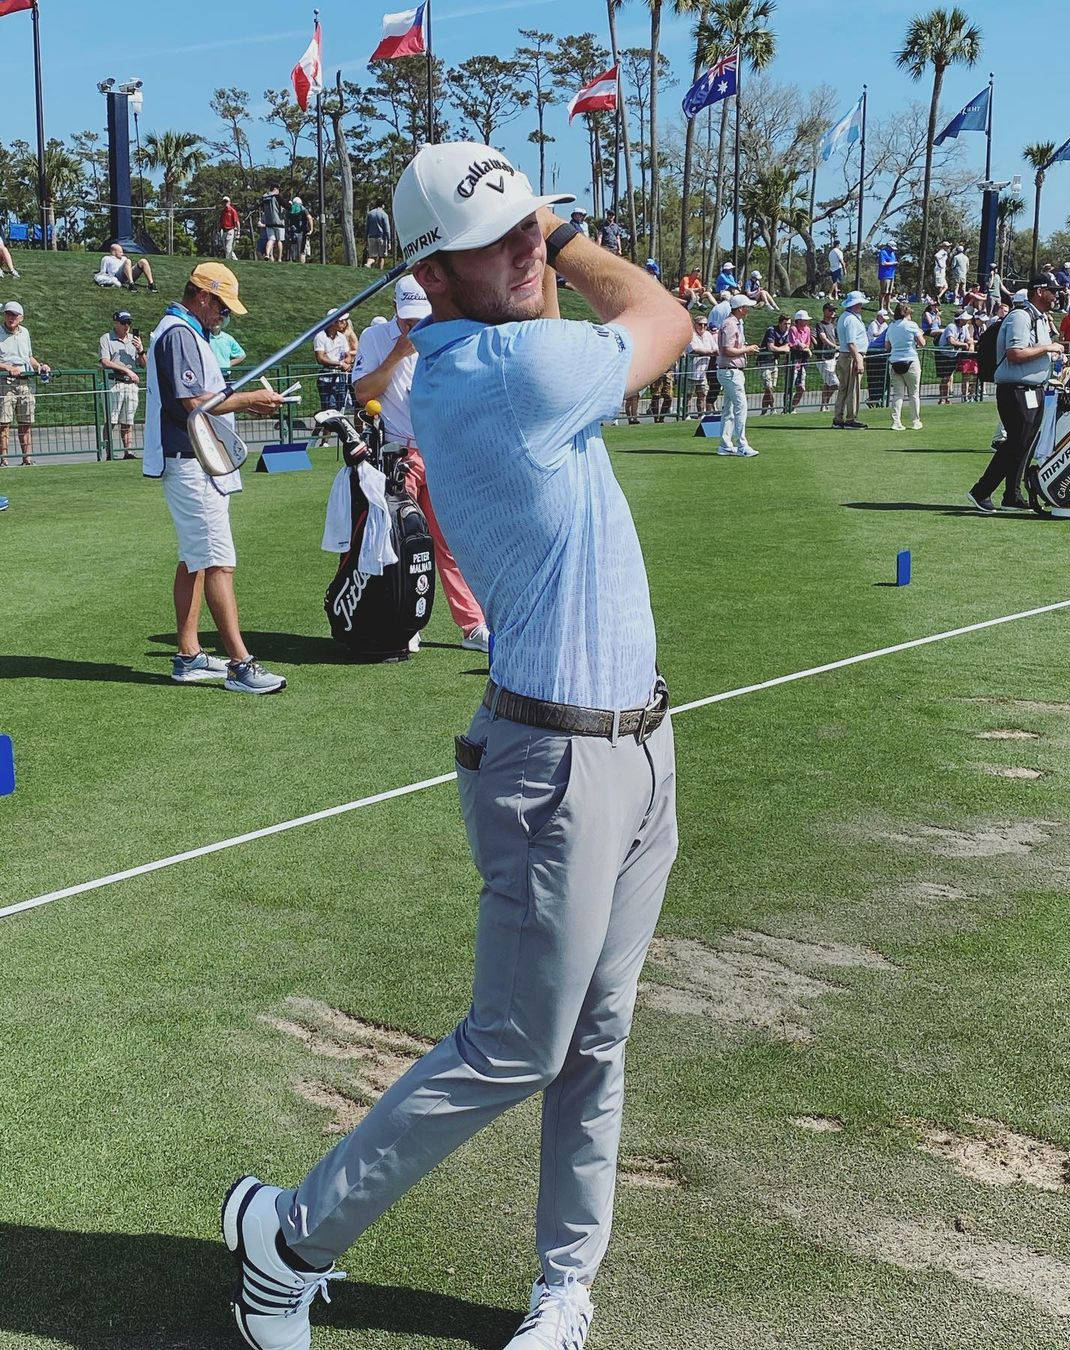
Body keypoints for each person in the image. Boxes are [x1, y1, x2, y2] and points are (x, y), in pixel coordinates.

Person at [221, 138, 686, 1350]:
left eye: (532, 223)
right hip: (556, 767)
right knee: (515, 1045)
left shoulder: (474, 350)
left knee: (596, 1036)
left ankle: (565, 1284)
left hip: (637, 739)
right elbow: (663, 314)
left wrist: (532, 218)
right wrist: (578, 232)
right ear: (438, 264)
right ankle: (288, 1240)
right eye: (502, 238)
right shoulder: (507, 374)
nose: (529, 245)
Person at [144, 263, 288, 692]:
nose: (223, 317)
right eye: (222, 309)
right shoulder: (180, 334)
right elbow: (194, 402)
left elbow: (201, 397)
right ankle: (241, 665)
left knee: (195, 559)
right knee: (218, 562)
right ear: (204, 297)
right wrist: (249, 400)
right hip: (192, 461)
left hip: (194, 459)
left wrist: (244, 401)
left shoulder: (186, 333)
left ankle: (188, 656)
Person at [351, 275, 490, 652]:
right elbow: (363, 393)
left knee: (448, 541)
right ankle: (403, 620)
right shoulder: (374, 338)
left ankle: (473, 625)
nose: (415, 325)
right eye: (408, 318)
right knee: (399, 541)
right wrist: (396, 354)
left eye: (420, 316)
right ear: (395, 309)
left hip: (439, 449)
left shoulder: (443, 331)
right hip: (397, 454)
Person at [967, 274, 1066, 513]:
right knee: (1015, 442)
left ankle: (1012, 495)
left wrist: (1053, 355)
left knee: (1024, 445)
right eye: (1052, 290)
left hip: (1034, 388)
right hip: (1016, 389)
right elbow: (1015, 353)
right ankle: (981, 491)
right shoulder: (1021, 316)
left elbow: (1036, 352)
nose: (1056, 296)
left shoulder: (1040, 318)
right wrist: (1048, 347)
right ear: (1039, 291)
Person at [0, 300, 49, 467]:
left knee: (26, 422)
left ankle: (27, 458)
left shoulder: (25, 333)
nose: (10, 317)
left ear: (21, 317)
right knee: (4, 422)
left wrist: (40, 366)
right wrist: (7, 367)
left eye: (14, 314)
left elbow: (29, 357)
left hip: (26, 382)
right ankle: (3, 459)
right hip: (5, 381)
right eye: (8, 314)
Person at [714, 292, 759, 455]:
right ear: (740, 309)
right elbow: (727, 350)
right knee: (741, 406)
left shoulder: (734, 323)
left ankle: (725, 444)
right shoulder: (730, 324)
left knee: (730, 409)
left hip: (731, 371)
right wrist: (748, 349)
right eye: (746, 307)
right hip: (730, 371)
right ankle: (742, 445)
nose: (748, 310)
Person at [98, 309, 146, 459]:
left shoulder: (133, 340)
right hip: (114, 383)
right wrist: (127, 370)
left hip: (131, 385)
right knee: (111, 420)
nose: (127, 326)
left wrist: (140, 350)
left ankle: (128, 451)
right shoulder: (106, 338)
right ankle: (109, 452)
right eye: (124, 323)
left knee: (128, 420)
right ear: (116, 323)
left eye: (129, 323)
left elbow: (144, 365)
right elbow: (105, 361)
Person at [884, 300, 925, 432]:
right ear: (907, 313)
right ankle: (915, 421)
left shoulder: (891, 326)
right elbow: (922, 343)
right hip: (911, 360)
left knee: (898, 395)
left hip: (895, 361)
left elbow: (887, 346)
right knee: (913, 394)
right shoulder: (912, 325)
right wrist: (919, 334)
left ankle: (896, 422)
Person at [834, 290, 869, 430]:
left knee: (844, 388)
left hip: (846, 356)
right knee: (852, 389)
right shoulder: (851, 320)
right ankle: (850, 418)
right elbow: (851, 342)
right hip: (851, 356)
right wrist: (858, 360)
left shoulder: (845, 317)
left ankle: (838, 418)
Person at [314, 311, 352, 411]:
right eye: (341, 321)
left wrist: (346, 362)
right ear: (333, 322)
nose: (345, 323)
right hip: (326, 380)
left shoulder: (342, 337)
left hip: (341, 379)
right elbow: (320, 358)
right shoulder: (320, 336)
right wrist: (340, 363)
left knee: (339, 408)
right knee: (329, 409)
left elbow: (348, 355)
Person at [758, 312, 790, 414]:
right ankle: (773, 409)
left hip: (774, 361)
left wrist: (779, 349)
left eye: (789, 324)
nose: (787, 326)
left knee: (770, 388)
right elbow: (770, 347)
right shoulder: (771, 330)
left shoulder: (787, 333)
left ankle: (763, 412)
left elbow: (788, 347)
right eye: (785, 324)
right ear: (780, 323)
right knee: (768, 387)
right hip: (764, 361)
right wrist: (782, 349)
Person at [687, 312, 717, 414]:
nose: (703, 326)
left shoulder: (708, 335)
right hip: (690, 371)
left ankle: (701, 415)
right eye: (700, 324)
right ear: (695, 325)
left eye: (705, 324)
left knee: (702, 395)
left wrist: (714, 351)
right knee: (688, 395)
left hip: (703, 371)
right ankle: (686, 415)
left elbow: (715, 348)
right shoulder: (691, 335)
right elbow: (695, 349)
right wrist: (711, 352)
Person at [935, 310, 967, 405]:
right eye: (964, 319)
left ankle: (946, 398)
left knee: (948, 377)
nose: (966, 320)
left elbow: (968, 339)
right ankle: (943, 398)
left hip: (954, 355)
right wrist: (964, 345)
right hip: (944, 355)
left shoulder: (964, 328)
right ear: (960, 319)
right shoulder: (951, 327)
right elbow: (951, 341)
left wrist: (970, 343)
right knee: (945, 378)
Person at [814, 303, 840, 414]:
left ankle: (824, 405)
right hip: (823, 358)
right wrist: (835, 346)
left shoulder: (832, 326)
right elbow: (823, 339)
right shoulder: (820, 325)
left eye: (833, 310)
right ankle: (824, 404)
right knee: (835, 384)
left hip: (832, 357)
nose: (832, 312)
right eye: (830, 310)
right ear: (825, 311)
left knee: (828, 383)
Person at [787, 310, 813, 411]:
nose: (806, 322)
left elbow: (807, 343)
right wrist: (804, 347)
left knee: (801, 387)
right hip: (794, 361)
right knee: (790, 386)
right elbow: (794, 343)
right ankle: (787, 406)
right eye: (804, 320)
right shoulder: (793, 329)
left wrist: (805, 347)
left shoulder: (807, 329)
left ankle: (792, 407)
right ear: (798, 320)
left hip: (803, 361)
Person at [864, 309, 891, 408]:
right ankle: (873, 398)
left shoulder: (885, 325)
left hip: (882, 352)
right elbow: (875, 334)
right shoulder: (873, 324)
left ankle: (875, 398)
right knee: (873, 378)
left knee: (885, 379)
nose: (884, 320)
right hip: (872, 350)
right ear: (879, 316)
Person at [953, 312, 979, 401]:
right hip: (966, 355)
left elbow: (969, 339)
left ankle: (971, 394)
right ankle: (965, 396)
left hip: (974, 355)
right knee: (966, 377)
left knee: (976, 376)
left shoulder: (969, 328)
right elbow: (968, 340)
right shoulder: (968, 327)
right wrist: (968, 345)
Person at [260, 185, 285, 262]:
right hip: (279, 223)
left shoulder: (265, 197)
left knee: (271, 239)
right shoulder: (277, 197)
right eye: (278, 190)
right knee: (279, 240)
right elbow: (286, 205)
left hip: (269, 222)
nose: (279, 191)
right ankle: (279, 258)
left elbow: (261, 206)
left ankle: (267, 254)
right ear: (275, 189)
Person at [364, 201, 392, 267]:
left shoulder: (370, 214)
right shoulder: (384, 214)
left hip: (371, 238)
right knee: (381, 257)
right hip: (381, 238)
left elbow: (367, 227)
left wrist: (365, 239)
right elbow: (387, 229)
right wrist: (389, 241)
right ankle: (380, 271)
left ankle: (368, 264)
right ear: (382, 205)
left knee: (372, 256)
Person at [287, 196, 314, 263]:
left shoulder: (291, 209)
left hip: (293, 232)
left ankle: (292, 263)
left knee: (293, 250)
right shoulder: (303, 209)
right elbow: (309, 218)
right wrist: (311, 229)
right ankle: (302, 264)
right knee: (302, 251)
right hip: (302, 232)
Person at [877, 240, 899, 305]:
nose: (893, 250)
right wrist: (893, 263)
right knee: (884, 292)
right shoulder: (883, 252)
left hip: (891, 275)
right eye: (892, 248)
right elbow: (883, 263)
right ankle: (881, 308)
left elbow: (893, 262)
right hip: (885, 275)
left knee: (889, 292)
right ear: (888, 246)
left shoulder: (893, 254)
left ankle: (888, 307)